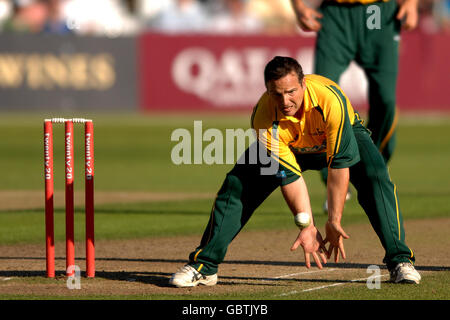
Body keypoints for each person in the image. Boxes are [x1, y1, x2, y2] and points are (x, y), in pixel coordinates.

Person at [169, 56, 421, 287]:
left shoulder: (328, 99)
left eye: (291, 92)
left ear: (303, 83)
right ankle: (204, 266)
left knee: (376, 176)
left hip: (338, 138)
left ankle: (400, 261)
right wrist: (307, 225)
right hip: (291, 146)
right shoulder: (263, 118)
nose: (285, 101)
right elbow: (290, 178)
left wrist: (334, 220)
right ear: (267, 91)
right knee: (237, 186)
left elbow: (339, 168)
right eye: (276, 94)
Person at [290, 0, 419, 212]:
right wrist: (298, 6)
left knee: (385, 99)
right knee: (321, 98)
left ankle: (373, 170)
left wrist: (412, 3)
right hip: (335, 14)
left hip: (377, 12)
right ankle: (335, 180)